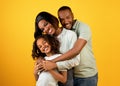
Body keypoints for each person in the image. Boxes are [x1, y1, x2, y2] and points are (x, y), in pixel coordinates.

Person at [41, 6, 98, 86]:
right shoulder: (61, 33)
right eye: (62, 19)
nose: (66, 21)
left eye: (68, 17)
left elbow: (76, 50)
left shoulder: (83, 27)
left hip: (85, 76)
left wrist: (52, 62)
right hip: (70, 76)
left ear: (72, 15)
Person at [34, 11, 80, 86]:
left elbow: (76, 61)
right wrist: (40, 61)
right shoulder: (47, 39)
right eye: (42, 29)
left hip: (66, 76)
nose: (45, 29)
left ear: (52, 20)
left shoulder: (70, 35)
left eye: (46, 24)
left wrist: (53, 65)